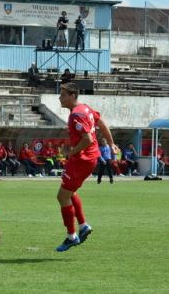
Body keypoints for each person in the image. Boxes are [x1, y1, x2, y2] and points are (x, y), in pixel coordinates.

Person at [55, 82, 117, 252]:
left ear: (73, 96)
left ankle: (71, 236)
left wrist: (72, 152)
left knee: (62, 197)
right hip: (89, 158)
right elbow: (101, 123)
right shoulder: (85, 108)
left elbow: (88, 139)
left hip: (82, 160)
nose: (60, 98)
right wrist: (111, 144)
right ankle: (83, 226)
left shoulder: (76, 115)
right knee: (70, 192)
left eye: (63, 95)